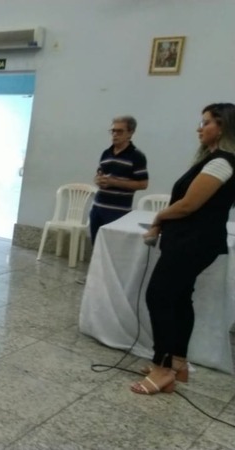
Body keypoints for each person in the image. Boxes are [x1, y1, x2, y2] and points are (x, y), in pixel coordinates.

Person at [132, 103, 235, 395]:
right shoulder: (213, 159)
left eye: (206, 123)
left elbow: (189, 204)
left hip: (193, 242)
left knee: (159, 296)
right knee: (178, 298)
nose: (199, 128)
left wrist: (158, 217)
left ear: (222, 127)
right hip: (193, 240)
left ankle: (162, 368)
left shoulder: (222, 161)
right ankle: (178, 363)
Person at [90, 115, 149, 243]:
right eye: (113, 131)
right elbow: (99, 174)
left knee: (112, 248)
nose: (115, 135)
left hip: (118, 211)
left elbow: (143, 184)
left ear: (130, 133)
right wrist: (98, 180)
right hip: (98, 208)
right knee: (96, 246)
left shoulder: (137, 156)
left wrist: (114, 182)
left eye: (120, 131)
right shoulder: (106, 153)